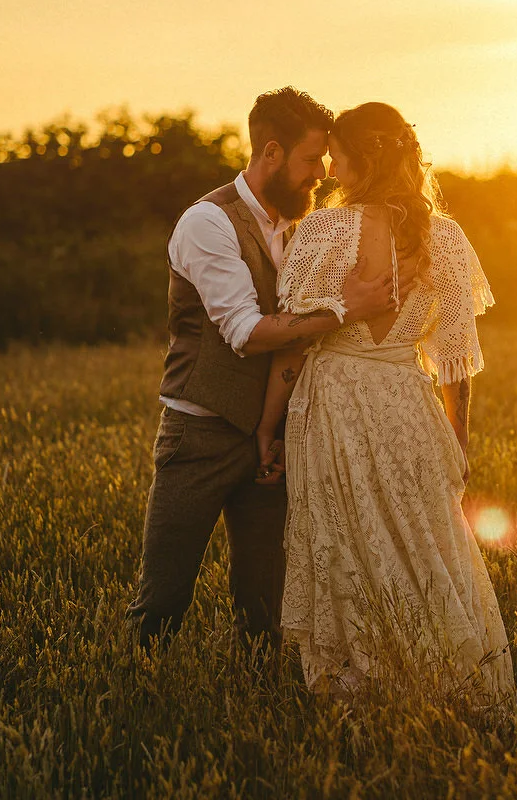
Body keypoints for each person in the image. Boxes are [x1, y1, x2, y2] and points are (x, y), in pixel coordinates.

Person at [256, 101, 513, 700]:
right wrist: (457, 438)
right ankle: (444, 679)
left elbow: (293, 345)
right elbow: (455, 360)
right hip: (406, 403)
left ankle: (363, 685)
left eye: (335, 155)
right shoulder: (447, 238)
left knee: (344, 541)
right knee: (424, 543)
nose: (329, 167)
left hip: (335, 406)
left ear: (361, 161)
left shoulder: (322, 232)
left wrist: (267, 427)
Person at [126, 87, 399, 649]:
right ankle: (134, 685)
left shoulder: (303, 225)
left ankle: (257, 689)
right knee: (163, 599)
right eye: (310, 161)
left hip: (274, 438)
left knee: (264, 606)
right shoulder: (208, 222)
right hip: (200, 432)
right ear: (271, 153)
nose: (320, 175)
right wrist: (344, 309)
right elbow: (246, 334)